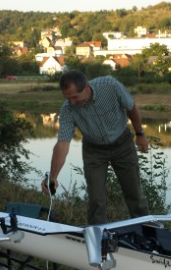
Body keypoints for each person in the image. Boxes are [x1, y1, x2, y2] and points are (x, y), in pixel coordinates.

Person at [42, 70, 149, 225]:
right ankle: (97, 235)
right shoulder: (67, 110)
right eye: (67, 98)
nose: (72, 102)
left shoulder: (109, 85)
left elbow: (131, 107)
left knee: (135, 194)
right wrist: (53, 177)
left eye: (75, 97)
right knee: (96, 198)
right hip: (94, 150)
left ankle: (147, 233)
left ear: (86, 87)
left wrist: (140, 133)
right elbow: (62, 143)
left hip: (122, 144)